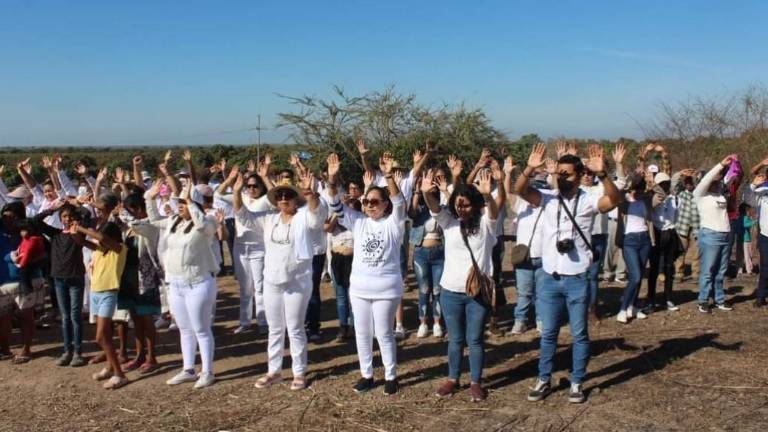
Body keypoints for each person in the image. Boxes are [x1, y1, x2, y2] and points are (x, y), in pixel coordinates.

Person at [516, 143, 621, 404]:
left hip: (577, 278)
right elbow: (519, 190)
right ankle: (544, 378)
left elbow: (614, 200)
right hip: (550, 277)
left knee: (579, 334)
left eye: (567, 174)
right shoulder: (548, 198)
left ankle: (576, 381)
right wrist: (530, 168)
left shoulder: (587, 200)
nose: (562, 177)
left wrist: (603, 174)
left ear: (578, 174)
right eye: (559, 173)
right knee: (549, 333)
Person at [234, 169, 327, 391]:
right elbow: (242, 215)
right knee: (275, 328)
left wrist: (311, 193)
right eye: (280, 196)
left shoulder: (303, 217)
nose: (283, 199)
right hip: (272, 281)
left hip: (297, 281)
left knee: (295, 328)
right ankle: (273, 371)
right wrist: (237, 191)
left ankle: (299, 372)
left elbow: (318, 215)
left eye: (288, 195)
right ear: (275, 201)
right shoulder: (269, 219)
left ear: (296, 199)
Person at [326, 152, 405, 396]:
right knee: (362, 332)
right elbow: (335, 204)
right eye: (367, 202)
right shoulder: (358, 222)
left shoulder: (394, 223)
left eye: (375, 201)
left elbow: (400, 201)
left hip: (386, 290)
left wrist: (389, 175)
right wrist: (332, 178)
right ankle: (367, 374)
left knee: (383, 332)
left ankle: (391, 376)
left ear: (384, 204)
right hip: (359, 289)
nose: (370, 205)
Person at [422, 166, 502, 402]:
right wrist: (428, 192)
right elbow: (434, 207)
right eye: (458, 204)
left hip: (477, 292)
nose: (461, 209)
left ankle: (476, 382)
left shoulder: (487, 225)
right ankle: (452, 378)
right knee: (455, 339)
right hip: (450, 291)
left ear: (476, 205)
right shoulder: (449, 223)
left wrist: (488, 195)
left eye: (466, 205)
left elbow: (494, 212)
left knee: (475, 339)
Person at [147, 181, 220, 388]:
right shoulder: (173, 221)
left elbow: (203, 227)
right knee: (184, 328)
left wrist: (192, 203)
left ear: (195, 204)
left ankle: (207, 372)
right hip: (176, 283)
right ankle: (188, 369)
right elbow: (153, 219)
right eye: (179, 202)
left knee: (201, 328)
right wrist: (149, 198)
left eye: (184, 203)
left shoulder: (209, 221)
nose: (180, 205)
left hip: (198, 282)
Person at [30, 202, 91, 367]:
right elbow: (35, 220)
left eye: (70, 216)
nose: (67, 219)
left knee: (75, 316)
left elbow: (87, 214)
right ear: (60, 218)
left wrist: (74, 205)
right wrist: (52, 209)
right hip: (58, 278)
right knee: (65, 317)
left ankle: (78, 352)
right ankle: (67, 351)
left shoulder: (78, 233)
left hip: (75, 277)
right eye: (64, 216)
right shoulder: (56, 234)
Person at [215, 164, 272, 335]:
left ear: (260, 187)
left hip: (259, 248)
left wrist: (266, 177)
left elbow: (275, 194)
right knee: (245, 288)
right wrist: (231, 179)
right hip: (240, 247)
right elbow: (218, 193)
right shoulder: (241, 197)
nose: (252, 189)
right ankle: (245, 322)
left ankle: (263, 321)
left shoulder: (266, 200)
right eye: (249, 186)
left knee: (260, 287)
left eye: (255, 185)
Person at [79, 221, 130, 390]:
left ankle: (119, 374)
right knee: (105, 335)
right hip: (96, 292)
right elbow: (82, 242)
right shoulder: (100, 249)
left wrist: (82, 228)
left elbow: (99, 238)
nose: (99, 240)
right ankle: (110, 367)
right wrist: (73, 231)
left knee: (100, 337)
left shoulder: (119, 248)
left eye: (103, 236)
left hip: (109, 292)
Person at [0, 201, 46, 364]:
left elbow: (41, 255)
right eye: (4, 216)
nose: (8, 220)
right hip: (2, 282)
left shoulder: (30, 232)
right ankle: (5, 349)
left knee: (25, 316)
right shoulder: (1, 230)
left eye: (12, 217)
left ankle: (26, 350)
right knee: (3, 317)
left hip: (25, 282)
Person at [694, 156, 735, 313]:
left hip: (725, 235)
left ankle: (719, 300)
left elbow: (730, 177)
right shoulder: (700, 194)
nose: (716, 181)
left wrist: (729, 167)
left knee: (721, 271)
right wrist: (720, 165)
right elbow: (706, 179)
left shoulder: (720, 195)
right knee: (707, 271)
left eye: (718, 180)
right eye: (714, 179)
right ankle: (703, 301)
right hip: (710, 236)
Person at [409, 170, 446, 339]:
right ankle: (423, 322)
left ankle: (437, 323)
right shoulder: (421, 208)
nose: (431, 186)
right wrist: (418, 191)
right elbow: (411, 213)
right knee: (424, 289)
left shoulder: (442, 208)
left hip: (440, 252)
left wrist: (444, 189)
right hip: (421, 253)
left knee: (437, 290)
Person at [616, 173, 654, 323]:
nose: (638, 193)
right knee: (636, 276)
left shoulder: (646, 200)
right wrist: (628, 186)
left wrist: (652, 182)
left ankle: (633, 307)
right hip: (629, 241)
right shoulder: (624, 201)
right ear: (631, 189)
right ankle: (623, 309)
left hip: (645, 239)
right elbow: (617, 191)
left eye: (641, 190)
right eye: (635, 190)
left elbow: (661, 194)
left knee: (637, 278)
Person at [646, 171, 681, 312]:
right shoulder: (654, 197)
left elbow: (676, 216)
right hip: (656, 233)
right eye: (662, 184)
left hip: (670, 233)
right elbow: (660, 196)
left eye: (667, 183)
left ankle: (668, 298)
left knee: (668, 268)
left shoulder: (675, 199)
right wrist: (654, 184)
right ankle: (651, 301)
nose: (665, 186)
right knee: (654, 269)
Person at [674, 174, 701, 282]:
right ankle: (678, 273)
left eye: (691, 183)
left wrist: (696, 176)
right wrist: (680, 174)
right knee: (681, 252)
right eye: (688, 183)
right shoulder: (680, 195)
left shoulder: (698, 195)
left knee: (697, 252)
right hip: (682, 227)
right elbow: (674, 186)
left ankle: (696, 274)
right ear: (685, 184)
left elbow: (701, 183)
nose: (690, 185)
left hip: (696, 227)